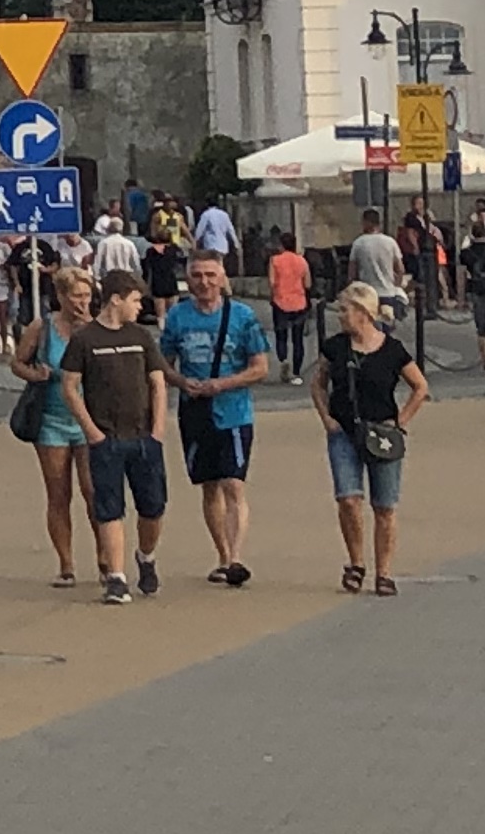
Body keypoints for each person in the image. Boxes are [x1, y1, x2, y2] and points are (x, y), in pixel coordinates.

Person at [161, 251, 269, 585]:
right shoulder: (177, 317)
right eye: (197, 275)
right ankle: (222, 555)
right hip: (195, 411)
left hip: (233, 411)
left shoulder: (242, 316)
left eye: (210, 275)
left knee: (233, 483)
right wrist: (182, 382)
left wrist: (222, 384)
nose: (204, 282)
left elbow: (260, 367)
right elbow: (162, 365)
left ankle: (236, 557)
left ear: (222, 277)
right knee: (209, 486)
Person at [65, 271, 168, 604]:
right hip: (105, 438)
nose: (140, 307)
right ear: (116, 299)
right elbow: (70, 387)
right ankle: (117, 577)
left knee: (153, 507)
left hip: (144, 436)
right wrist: (91, 431)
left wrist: (158, 430)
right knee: (109, 508)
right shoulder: (85, 339)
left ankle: (146, 556)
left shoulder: (141, 336)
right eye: (135, 300)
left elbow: (157, 382)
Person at [318, 280, 425, 594]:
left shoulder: (392, 350)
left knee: (385, 506)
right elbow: (319, 383)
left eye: (345, 310)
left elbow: (420, 387)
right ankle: (356, 563)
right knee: (348, 499)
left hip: (382, 433)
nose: (340, 316)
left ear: (363, 312)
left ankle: (384, 572)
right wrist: (327, 418)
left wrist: (400, 421)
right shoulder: (335, 347)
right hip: (344, 432)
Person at [14, 266, 95, 589]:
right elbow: (17, 361)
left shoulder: (97, 327)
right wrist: (35, 374)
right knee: (59, 493)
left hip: (89, 419)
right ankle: (66, 565)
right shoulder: (42, 327)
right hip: (51, 419)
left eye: (87, 295)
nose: (82, 302)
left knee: (94, 491)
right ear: (60, 296)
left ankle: (106, 559)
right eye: (76, 296)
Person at [266, 231, 314, 380]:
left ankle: (283, 360)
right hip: (299, 303)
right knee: (298, 339)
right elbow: (308, 284)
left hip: (280, 302)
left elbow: (272, 282)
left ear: (281, 245)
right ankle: (297, 372)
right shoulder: (302, 261)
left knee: (281, 336)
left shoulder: (275, 260)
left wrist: (273, 294)